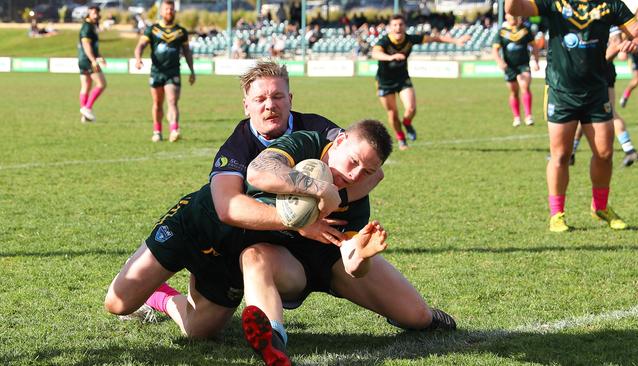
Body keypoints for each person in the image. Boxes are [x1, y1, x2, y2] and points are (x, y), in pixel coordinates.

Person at [109, 60, 381, 336]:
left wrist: (337, 195)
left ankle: (164, 298)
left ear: (290, 99)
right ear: (246, 105)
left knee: (198, 332)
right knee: (117, 303)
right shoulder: (238, 147)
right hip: (196, 225)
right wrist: (300, 221)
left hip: (233, 245)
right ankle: (154, 284)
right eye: (260, 99)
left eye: (277, 96)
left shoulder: (320, 130)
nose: (270, 105)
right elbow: (228, 208)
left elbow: (372, 171)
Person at [238, 121, 456, 365]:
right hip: (285, 260)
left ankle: (428, 318)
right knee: (253, 257)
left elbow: (353, 268)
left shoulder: (357, 196)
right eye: (353, 162)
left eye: (367, 172)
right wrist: (322, 190)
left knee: (416, 316)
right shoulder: (306, 142)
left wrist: (362, 255)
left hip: (331, 265)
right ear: (339, 141)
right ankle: (273, 340)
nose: (355, 176)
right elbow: (258, 171)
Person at [505, 0, 638, 232]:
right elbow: (514, 9)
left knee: (604, 153)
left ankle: (600, 207)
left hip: (596, 90)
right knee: (560, 155)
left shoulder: (611, 4)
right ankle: (557, 214)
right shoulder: (554, 3)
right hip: (562, 91)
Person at [371, 14, 470, 150]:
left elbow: (436, 38)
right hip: (384, 82)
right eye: (395, 25)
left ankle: (407, 123)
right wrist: (391, 57)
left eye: (400, 24)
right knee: (393, 113)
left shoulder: (410, 39)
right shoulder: (384, 41)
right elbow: (375, 53)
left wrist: (456, 41)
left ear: (404, 26)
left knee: (411, 108)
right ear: (390, 27)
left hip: (402, 79)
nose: (398, 27)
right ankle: (401, 139)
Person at [570, 27, 638, 168]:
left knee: (607, 113)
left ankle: (629, 149)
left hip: (599, 71)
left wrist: (599, 61)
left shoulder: (606, 17)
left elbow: (619, 50)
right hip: (598, 71)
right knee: (585, 112)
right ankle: (571, 153)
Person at [134, 0, 195, 142]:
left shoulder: (181, 31)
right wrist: (138, 58)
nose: (170, 12)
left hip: (173, 72)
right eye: (167, 9)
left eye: (172, 9)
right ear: (161, 12)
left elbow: (187, 52)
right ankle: (157, 131)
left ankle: (174, 130)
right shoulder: (152, 30)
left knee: (172, 101)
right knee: (157, 103)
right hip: (156, 72)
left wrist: (192, 71)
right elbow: (140, 46)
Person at [492, 14, 540, 127]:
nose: (514, 18)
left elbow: (534, 47)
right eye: (512, 16)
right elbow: (495, 50)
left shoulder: (525, 30)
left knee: (525, 86)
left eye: (516, 16)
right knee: (514, 92)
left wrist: (536, 61)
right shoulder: (502, 32)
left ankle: (528, 115)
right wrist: (500, 62)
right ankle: (517, 117)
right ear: (506, 17)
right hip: (510, 67)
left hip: (523, 65)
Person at [78, 5, 107, 123]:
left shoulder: (92, 26)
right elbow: (86, 45)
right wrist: (93, 60)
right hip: (88, 60)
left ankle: (85, 116)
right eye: (94, 12)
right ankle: (87, 108)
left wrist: (100, 56)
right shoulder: (87, 27)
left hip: (83, 59)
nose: (96, 15)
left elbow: (94, 46)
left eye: (97, 12)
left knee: (86, 86)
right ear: (89, 13)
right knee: (101, 84)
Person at [620, 6, 638, 111]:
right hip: (634, 55)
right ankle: (625, 95)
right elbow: (624, 37)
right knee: (636, 80)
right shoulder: (631, 24)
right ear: (637, 14)